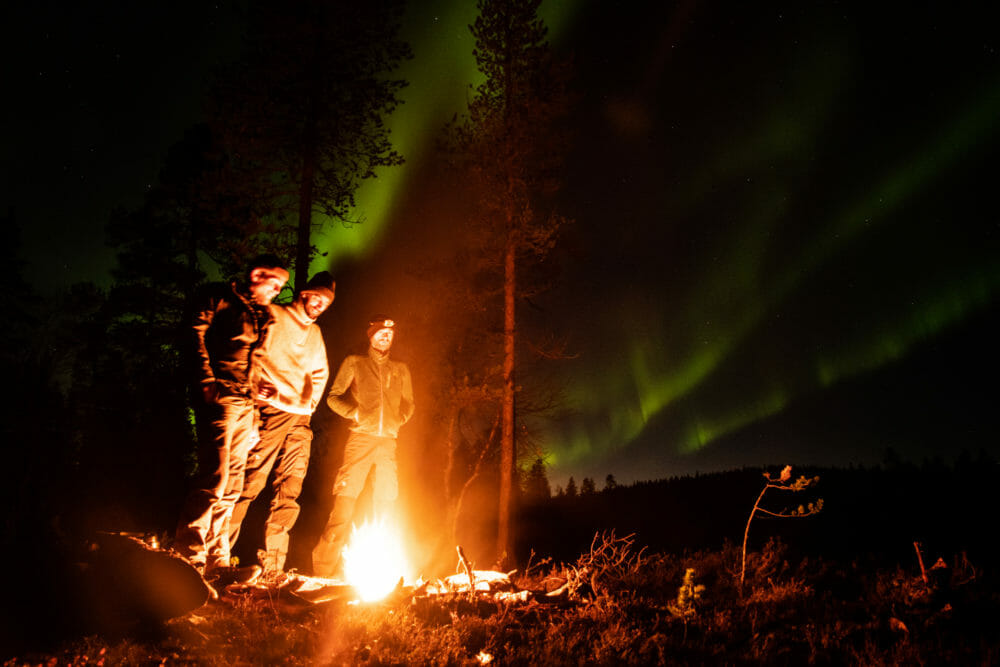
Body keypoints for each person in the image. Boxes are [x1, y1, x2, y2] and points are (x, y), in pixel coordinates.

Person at [174, 254, 289, 584]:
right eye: (274, 284)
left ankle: (217, 561)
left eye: (281, 287)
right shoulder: (218, 296)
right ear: (256, 275)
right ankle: (188, 558)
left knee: (235, 483)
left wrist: (255, 408)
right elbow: (193, 332)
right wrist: (205, 380)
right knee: (216, 477)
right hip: (220, 397)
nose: (277, 292)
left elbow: (253, 361)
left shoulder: (259, 315)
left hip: (244, 403)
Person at [228, 271, 336, 579]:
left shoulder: (315, 335)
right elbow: (252, 352)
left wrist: (309, 407)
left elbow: (320, 374)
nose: (320, 304)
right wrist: (257, 387)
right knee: (249, 482)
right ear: (303, 294)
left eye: (326, 302)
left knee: (289, 493)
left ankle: (274, 568)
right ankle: (218, 556)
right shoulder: (274, 316)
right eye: (316, 297)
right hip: (270, 411)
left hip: (299, 420)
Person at [312, 315, 415, 579]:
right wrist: (356, 413)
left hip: (388, 444)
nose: (386, 337)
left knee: (386, 504)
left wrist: (397, 421)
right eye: (381, 333)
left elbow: (410, 404)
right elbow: (334, 398)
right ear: (371, 336)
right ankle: (323, 573)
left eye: (390, 334)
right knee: (344, 505)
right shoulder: (355, 363)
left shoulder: (400, 369)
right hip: (360, 440)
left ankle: (380, 573)